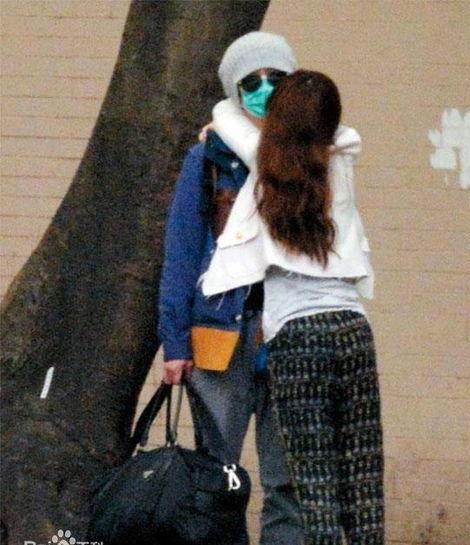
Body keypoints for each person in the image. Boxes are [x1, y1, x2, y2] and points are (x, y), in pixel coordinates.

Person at [200, 70, 385, 544]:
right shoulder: (341, 160)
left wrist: (227, 124)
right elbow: (341, 132)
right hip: (352, 328)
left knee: (314, 481)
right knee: (363, 475)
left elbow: (225, 112)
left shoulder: (265, 164)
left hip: (297, 339)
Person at [157, 32, 304, 545]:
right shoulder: (208, 159)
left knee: (289, 483)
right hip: (220, 339)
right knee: (218, 480)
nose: (265, 90)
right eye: (252, 82)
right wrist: (175, 343)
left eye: (276, 78)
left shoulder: (315, 158)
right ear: (234, 91)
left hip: (292, 335)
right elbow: (181, 253)